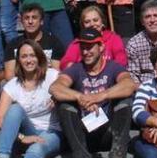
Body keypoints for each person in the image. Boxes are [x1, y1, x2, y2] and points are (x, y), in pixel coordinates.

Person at [50, 28, 136, 158]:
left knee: (125, 101)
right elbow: (55, 88)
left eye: (90, 47)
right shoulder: (76, 69)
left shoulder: (113, 67)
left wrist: (100, 96)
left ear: (101, 47)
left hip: (109, 131)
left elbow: (129, 85)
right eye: (83, 48)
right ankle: (82, 155)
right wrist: (80, 98)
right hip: (82, 132)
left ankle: (118, 154)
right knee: (64, 105)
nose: (85, 52)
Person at [0, 40, 63, 158]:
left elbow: (68, 87)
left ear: (39, 58)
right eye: (24, 56)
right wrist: (22, 137)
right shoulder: (12, 85)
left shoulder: (53, 76)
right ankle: (3, 155)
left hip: (51, 131)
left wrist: (57, 97)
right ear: (19, 61)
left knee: (35, 151)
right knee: (15, 109)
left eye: (32, 55)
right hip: (26, 132)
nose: (29, 60)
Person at [5, 4, 65, 80]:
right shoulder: (13, 44)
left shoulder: (53, 43)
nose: (30, 22)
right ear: (22, 21)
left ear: (42, 21)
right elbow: (9, 75)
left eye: (34, 18)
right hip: (21, 84)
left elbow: (56, 73)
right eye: (26, 18)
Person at [60, 5, 128, 69]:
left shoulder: (113, 38)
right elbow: (65, 63)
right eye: (87, 22)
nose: (92, 24)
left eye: (95, 20)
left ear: (102, 21)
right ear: (83, 25)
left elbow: (122, 61)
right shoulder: (78, 42)